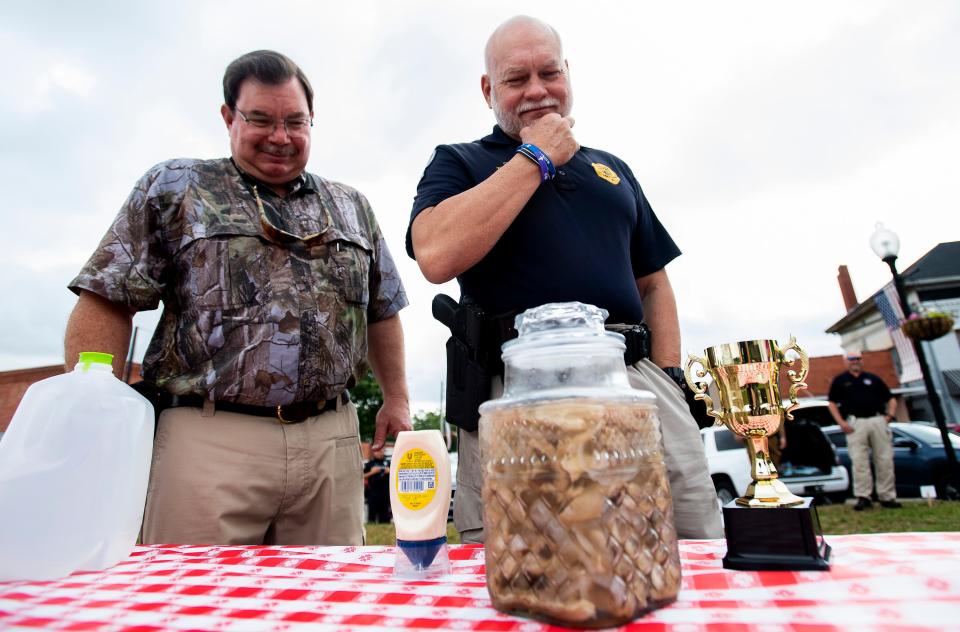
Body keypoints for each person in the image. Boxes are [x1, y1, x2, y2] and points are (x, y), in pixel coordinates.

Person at [64, 50, 412, 545]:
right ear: (229, 117)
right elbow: (107, 296)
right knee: (189, 606)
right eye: (261, 119)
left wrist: (396, 397)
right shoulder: (176, 187)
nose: (280, 136)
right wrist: (88, 404)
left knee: (326, 609)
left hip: (329, 440)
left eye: (295, 121)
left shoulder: (352, 206)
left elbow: (383, 309)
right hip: (209, 439)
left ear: (312, 121)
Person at [406, 16, 722, 543]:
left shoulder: (612, 169)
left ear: (568, 74)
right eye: (515, 79)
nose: (536, 90)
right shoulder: (460, 162)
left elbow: (653, 283)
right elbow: (435, 255)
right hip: (519, 385)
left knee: (689, 535)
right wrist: (536, 158)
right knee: (532, 557)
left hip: (635, 377)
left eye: (548, 73)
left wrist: (669, 374)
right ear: (488, 90)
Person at [828, 352, 902, 511]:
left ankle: (887, 496)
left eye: (857, 359)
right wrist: (841, 422)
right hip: (855, 423)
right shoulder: (840, 381)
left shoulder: (873, 379)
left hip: (877, 420)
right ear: (846, 362)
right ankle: (863, 496)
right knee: (859, 461)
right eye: (851, 359)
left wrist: (889, 415)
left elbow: (891, 398)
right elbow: (832, 403)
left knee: (885, 459)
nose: (855, 362)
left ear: (862, 361)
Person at [363, 448, 392, 524]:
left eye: (382, 451)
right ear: (374, 452)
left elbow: (398, 476)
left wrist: (390, 471)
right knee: (371, 519)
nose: (380, 453)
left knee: (385, 519)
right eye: (378, 451)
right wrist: (372, 472)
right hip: (373, 494)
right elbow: (362, 477)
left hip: (386, 494)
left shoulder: (389, 463)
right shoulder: (370, 463)